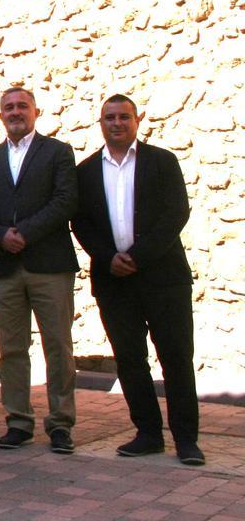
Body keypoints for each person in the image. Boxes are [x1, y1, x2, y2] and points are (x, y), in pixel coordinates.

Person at [71, 95, 203, 466]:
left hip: (163, 278)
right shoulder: (84, 171)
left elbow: (176, 213)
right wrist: (108, 257)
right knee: (130, 359)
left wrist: (137, 257)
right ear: (101, 123)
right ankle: (148, 433)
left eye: (124, 117)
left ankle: (186, 440)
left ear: (137, 120)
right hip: (114, 281)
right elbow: (80, 222)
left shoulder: (162, 162)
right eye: (110, 117)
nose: (117, 123)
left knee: (176, 358)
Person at [0, 87, 78, 454]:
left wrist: (26, 233)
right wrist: (1, 235)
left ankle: (61, 423)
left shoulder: (58, 152)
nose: (15, 112)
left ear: (36, 111)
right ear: (0, 115)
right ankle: (18, 420)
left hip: (49, 262)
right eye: (8, 108)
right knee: (12, 348)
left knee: (58, 346)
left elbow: (66, 200)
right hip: (5, 266)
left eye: (22, 106)